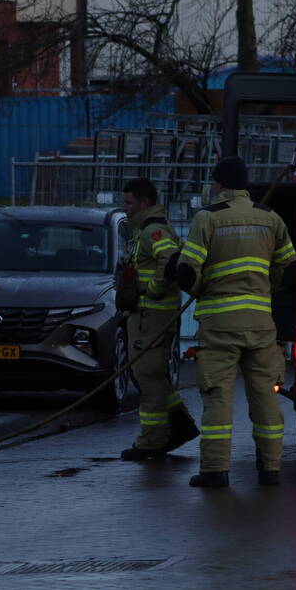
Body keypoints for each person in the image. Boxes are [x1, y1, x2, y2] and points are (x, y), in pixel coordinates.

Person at [176, 157, 296, 488]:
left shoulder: (207, 219)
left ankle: (215, 471)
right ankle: (270, 469)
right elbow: (288, 265)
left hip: (219, 325)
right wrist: (266, 286)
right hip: (260, 324)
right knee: (265, 398)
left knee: (218, 396)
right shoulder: (270, 218)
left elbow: (186, 272)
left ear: (219, 184)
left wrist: (200, 287)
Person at [119, 178, 199, 461]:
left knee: (147, 376)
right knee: (151, 374)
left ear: (145, 202)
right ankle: (180, 425)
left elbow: (170, 259)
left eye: (129, 203)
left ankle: (151, 441)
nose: (125, 208)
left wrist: (151, 290)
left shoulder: (153, 231)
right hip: (148, 316)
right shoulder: (146, 229)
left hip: (151, 317)